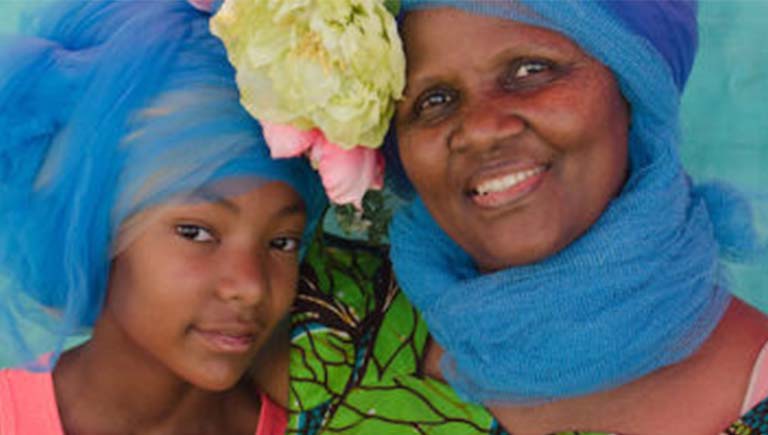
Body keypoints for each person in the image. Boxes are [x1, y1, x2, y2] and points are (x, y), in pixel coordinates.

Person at [386, 1, 768, 434]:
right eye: (434, 100)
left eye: (531, 71)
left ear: (630, 88)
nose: (480, 128)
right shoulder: (325, 321)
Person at [0, 1, 326, 434]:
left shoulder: (330, 425)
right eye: (196, 232)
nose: (249, 286)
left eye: (282, 242)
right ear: (98, 225)